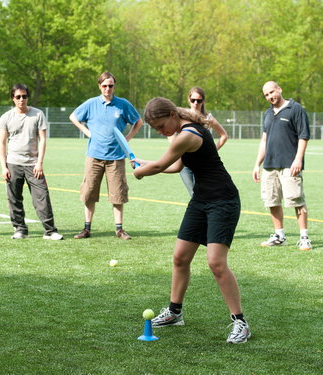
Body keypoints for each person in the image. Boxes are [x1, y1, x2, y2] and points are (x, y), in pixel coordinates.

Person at [133, 97, 251, 344]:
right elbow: (175, 167)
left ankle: (240, 322)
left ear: (172, 115)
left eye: (160, 126)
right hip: (201, 200)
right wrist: (146, 163)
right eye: (155, 129)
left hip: (223, 201)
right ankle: (174, 313)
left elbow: (162, 164)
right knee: (180, 258)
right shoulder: (184, 127)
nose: (160, 132)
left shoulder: (187, 134)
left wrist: (141, 172)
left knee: (216, 263)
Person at [69, 72, 143, 240]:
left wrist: (126, 140)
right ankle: (86, 229)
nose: (108, 89)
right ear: (99, 86)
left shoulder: (122, 104)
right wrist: (87, 132)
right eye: (104, 86)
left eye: (110, 86)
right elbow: (73, 117)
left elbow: (138, 122)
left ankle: (119, 229)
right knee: (89, 193)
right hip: (94, 156)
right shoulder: (91, 103)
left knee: (118, 195)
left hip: (116, 157)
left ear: (114, 87)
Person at [0, 84, 63, 240]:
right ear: (13, 98)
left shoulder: (38, 114)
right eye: (18, 97)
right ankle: (20, 229)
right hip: (13, 163)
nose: (21, 100)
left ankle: (50, 231)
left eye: (24, 96)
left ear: (28, 97)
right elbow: (1, 143)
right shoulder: (6, 117)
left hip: (33, 163)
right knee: (14, 198)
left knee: (42, 196)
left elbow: (42, 139)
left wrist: (39, 163)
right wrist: (3, 166)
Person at [252, 81, 311, 251]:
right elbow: (264, 140)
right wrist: (257, 164)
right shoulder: (268, 113)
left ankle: (304, 237)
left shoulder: (296, 109)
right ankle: (279, 236)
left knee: (296, 200)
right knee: (272, 201)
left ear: (279, 89)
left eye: (272, 92)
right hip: (270, 165)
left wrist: (298, 159)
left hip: (289, 164)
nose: (270, 96)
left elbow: (303, 136)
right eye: (266, 95)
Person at [175, 86, 228, 195]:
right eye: (193, 100)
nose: (195, 103)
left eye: (199, 101)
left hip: (201, 162)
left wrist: (213, 149)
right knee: (193, 193)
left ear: (203, 101)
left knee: (201, 193)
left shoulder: (208, 118)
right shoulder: (183, 114)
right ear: (188, 99)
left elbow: (224, 135)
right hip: (185, 163)